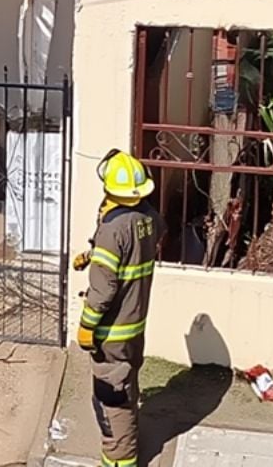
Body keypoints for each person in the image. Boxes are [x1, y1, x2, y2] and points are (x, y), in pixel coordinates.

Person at [72, 149, 165, 467]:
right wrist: (94, 254)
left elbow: (103, 289)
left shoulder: (113, 228)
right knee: (127, 386)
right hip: (135, 324)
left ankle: (119, 460)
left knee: (111, 399)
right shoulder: (149, 217)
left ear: (110, 190)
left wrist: (86, 327)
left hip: (111, 332)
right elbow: (131, 252)